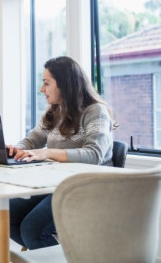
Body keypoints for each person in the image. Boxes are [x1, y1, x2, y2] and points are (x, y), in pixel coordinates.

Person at [7, 56, 114, 250]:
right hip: (55, 185)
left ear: (65, 84)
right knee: (8, 215)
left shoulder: (96, 111)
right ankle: (51, 253)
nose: (41, 89)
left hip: (87, 189)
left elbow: (94, 155)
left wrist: (47, 153)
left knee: (33, 230)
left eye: (46, 83)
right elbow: (32, 140)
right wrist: (17, 148)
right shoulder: (54, 112)